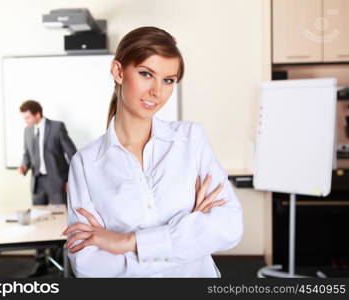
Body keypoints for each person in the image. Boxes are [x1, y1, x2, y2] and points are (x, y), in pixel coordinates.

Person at [62, 27, 243, 277]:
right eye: (146, 74)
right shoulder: (86, 163)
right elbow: (88, 264)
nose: (157, 92)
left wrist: (127, 242)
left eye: (168, 80)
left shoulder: (190, 140)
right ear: (118, 72)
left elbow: (229, 227)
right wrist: (190, 234)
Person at [18, 100, 77, 277]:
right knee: (36, 221)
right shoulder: (28, 130)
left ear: (37, 114)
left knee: (60, 221)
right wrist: (24, 165)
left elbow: (71, 153)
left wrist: (69, 179)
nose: (26, 121)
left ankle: (61, 262)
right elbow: (27, 154)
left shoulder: (57, 127)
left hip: (57, 182)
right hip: (38, 182)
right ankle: (41, 262)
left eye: (27, 117)